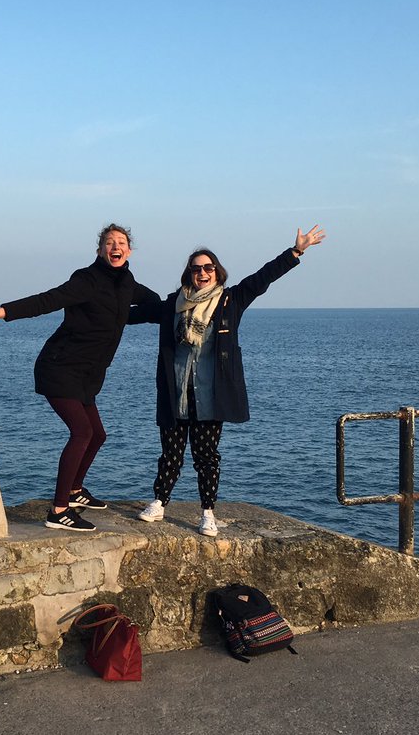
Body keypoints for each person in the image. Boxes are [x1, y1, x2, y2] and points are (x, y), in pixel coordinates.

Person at [132, 225, 326, 535]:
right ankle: (159, 503)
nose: (202, 273)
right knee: (171, 452)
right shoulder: (173, 304)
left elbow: (262, 278)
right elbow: (134, 314)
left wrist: (295, 251)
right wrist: (99, 307)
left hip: (212, 394)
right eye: (196, 269)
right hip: (176, 391)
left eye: (208, 267)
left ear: (217, 272)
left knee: (206, 456)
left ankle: (207, 512)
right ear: (189, 275)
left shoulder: (230, 301)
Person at [0, 224, 160, 532]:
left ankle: (75, 491)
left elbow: (156, 307)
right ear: (100, 250)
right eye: (109, 242)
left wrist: (192, 306)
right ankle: (58, 511)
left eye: (121, 242)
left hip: (87, 375)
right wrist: (1, 312)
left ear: (129, 250)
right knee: (82, 432)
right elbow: (48, 300)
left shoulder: (128, 284)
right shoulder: (87, 280)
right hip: (59, 367)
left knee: (98, 435)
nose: (115, 246)